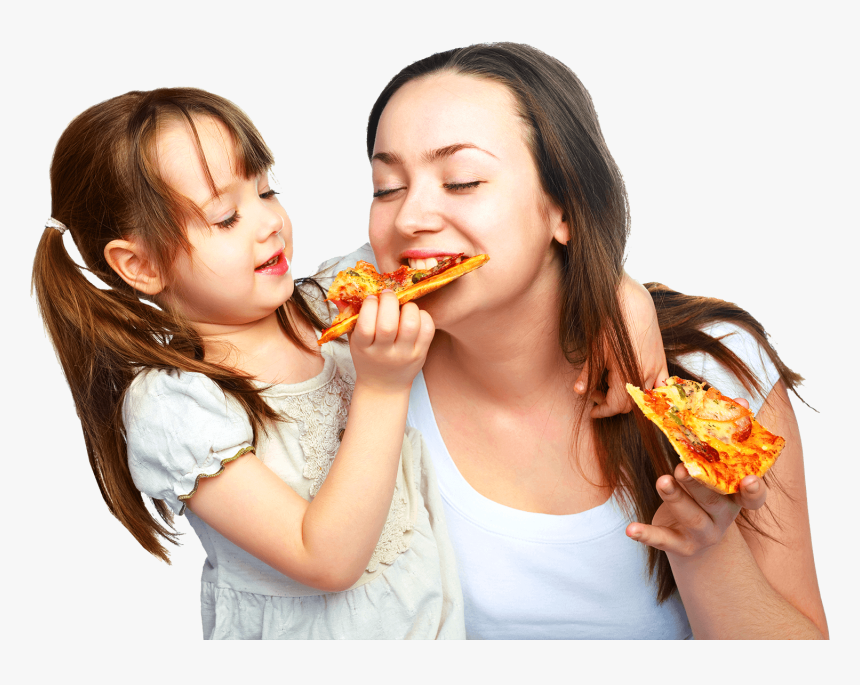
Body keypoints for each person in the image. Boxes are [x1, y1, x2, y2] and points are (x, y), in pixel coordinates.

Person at [322, 43, 828, 639]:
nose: (410, 217)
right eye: (386, 188)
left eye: (461, 181)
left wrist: (707, 551)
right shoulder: (346, 367)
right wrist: (619, 289)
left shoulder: (714, 368)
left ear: (563, 205)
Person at [32, 88, 467, 639]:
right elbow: (325, 560)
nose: (269, 222)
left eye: (267, 190)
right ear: (139, 265)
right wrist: (381, 390)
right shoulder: (176, 407)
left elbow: (443, 241)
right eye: (225, 217)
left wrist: (613, 320)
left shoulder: (333, 301)